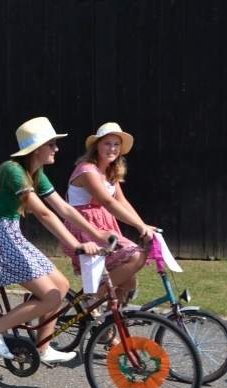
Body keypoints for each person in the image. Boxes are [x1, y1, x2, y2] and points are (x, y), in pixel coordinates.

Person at [0, 117, 114, 364]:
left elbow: (65, 209)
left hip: (11, 235)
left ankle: (43, 348)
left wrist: (97, 234)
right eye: (52, 144)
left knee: (60, 286)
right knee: (50, 295)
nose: (56, 149)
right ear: (37, 148)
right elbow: (44, 213)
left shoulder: (36, 174)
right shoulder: (13, 171)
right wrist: (78, 244)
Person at [60, 122, 156, 305]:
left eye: (116, 144)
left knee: (128, 283)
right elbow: (108, 202)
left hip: (103, 226)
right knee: (137, 256)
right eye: (107, 143)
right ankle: (92, 298)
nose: (112, 148)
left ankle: (107, 329)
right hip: (84, 226)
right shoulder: (87, 170)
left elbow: (121, 201)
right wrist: (138, 226)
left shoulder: (110, 171)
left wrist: (143, 224)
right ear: (97, 146)